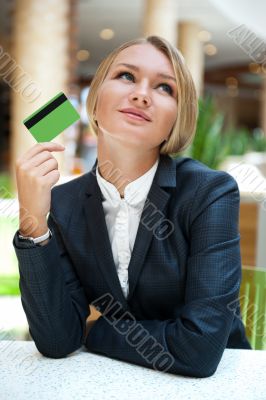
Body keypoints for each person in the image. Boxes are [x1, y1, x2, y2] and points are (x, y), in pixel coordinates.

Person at [13, 35, 251, 378]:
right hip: (112, 381)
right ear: (94, 102)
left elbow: (199, 349)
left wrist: (95, 330)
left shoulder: (208, 193)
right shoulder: (64, 203)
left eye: (164, 88)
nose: (141, 94)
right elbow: (57, 340)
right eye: (126, 76)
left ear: (176, 119)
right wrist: (34, 223)